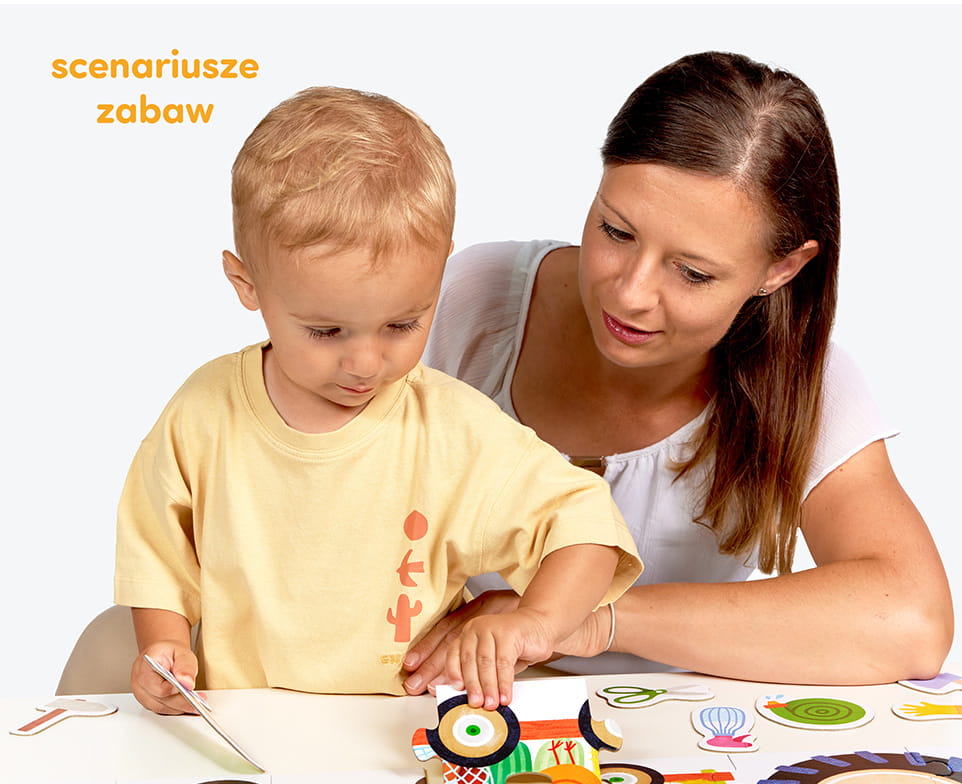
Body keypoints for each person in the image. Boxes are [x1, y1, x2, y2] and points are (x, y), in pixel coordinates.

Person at [402, 51, 952, 692]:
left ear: (781, 269)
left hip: (673, 730)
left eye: (692, 272)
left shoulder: (804, 382)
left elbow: (911, 622)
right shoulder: (472, 300)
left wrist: (589, 621)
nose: (630, 293)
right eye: (616, 231)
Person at [115, 87, 641, 716]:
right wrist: (165, 645)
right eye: (326, 331)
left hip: (407, 733)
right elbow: (157, 551)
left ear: (438, 276)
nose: (366, 363)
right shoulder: (203, 413)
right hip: (246, 727)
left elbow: (583, 525)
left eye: (401, 324)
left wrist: (537, 622)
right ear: (246, 283)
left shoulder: (454, 429)